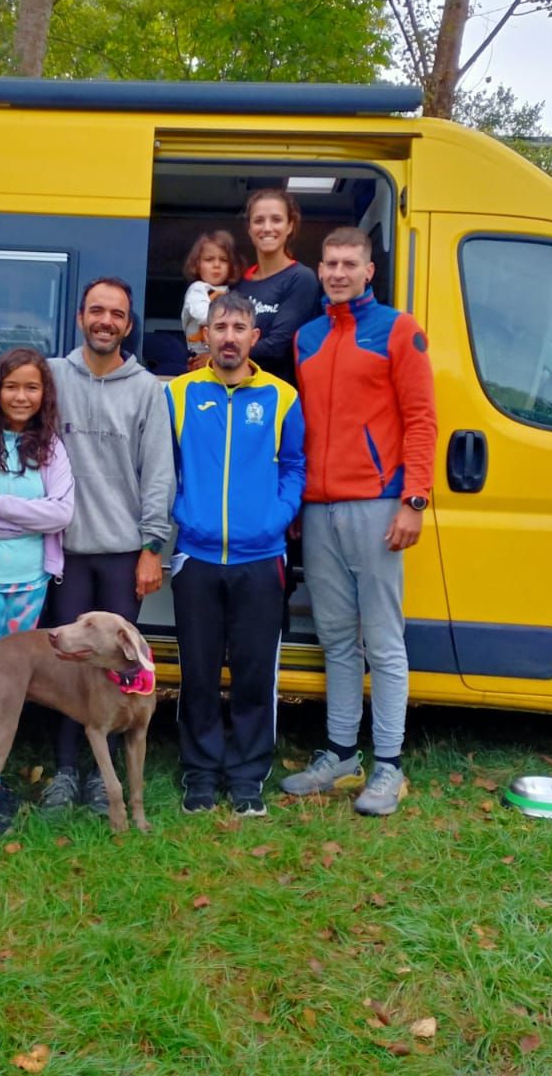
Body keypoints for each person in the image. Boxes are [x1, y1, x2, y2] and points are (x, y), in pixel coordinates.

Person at [279, 226, 436, 817]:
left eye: (350, 263)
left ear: (370, 270)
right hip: (319, 509)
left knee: (384, 641)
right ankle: (341, 754)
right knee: (337, 639)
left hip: (378, 504)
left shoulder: (399, 329)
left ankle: (388, 765)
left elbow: (422, 419)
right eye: (330, 263)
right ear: (319, 269)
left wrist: (414, 500)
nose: (339, 272)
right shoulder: (308, 337)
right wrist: (296, 502)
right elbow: (304, 432)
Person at [164, 292, 304, 817]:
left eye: (238, 327)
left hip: (260, 556)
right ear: (205, 334)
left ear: (252, 337)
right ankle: (200, 774)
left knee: (253, 673)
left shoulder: (282, 398)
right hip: (197, 556)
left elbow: (294, 466)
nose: (228, 336)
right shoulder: (177, 395)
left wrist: (275, 517)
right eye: (219, 326)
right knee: (197, 672)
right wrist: (184, 510)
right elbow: (164, 467)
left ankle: (247, 776)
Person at [38, 277, 174, 815]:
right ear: (80, 318)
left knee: (118, 668)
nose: (106, 321)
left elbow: (159, 473)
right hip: (66, 548)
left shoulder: (147, 390)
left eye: (116, 314)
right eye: (97, 310)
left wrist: (151, 547)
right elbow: (4, 415)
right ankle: (65, 772)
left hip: (122, 553)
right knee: (70, 664)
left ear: (128, 324)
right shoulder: (50, 376)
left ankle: (103, 777)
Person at [0, 347, 74, 833]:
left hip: (31, 581)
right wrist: (22, 524)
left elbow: (62, 513)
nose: (21, 396)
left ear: (44, 393)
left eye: (32, 387)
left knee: (12, 686)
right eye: (12, 386)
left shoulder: (49, 447)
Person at [233, 188, 321, 388]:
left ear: (290, 225)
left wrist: (220, 353)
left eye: (276, 220)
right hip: (237, 395)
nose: (267, 228)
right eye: (258, 220)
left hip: (279, 397)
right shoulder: (238, 283)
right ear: (249, 228)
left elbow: (278, 346)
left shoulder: (301, 279)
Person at [180, 230, 241, 365]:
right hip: (199, 357)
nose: (216, 265)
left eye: (223, 260)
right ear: (197, 265)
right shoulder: (197, 290)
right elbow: (202, 314)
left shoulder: (229, 292)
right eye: (209, 259)